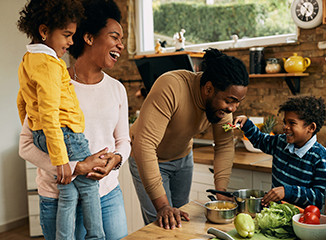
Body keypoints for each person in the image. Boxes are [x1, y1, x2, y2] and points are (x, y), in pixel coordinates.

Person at [18, 0, 130, 239]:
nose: (121, 45)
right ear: (88, 38)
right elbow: (26, 145)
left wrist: (117, 159)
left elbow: (123, 141)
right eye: (114, 37)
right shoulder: (53, 82)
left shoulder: (117, 89)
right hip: (58, 197)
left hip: (108, 195)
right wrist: (75, 168)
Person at [129, 48, 249, 229]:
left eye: (237, 102)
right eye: (230, 100)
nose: (233, 108)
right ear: (209, 88)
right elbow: (144, 145)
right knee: (163, 224)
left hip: (183, 159)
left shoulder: (223, 106)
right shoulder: (172, 86)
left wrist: (221, 191)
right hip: (148, 158)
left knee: (181, 222)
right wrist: (163, 206)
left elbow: (224, 145)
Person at [233, 95, 326, 210]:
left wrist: (287, 192)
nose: (285, 127)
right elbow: (260, 140)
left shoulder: (321, 157)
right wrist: (246, 124)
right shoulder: (280, 142)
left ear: (311, 127)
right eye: (285, 122)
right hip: (276, 214)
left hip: (303, 221)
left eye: (292, 123)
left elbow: (322, 197)